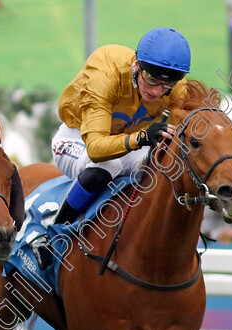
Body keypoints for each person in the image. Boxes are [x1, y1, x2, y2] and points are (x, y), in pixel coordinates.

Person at [51, 27, 191, 225]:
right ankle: (55, 232)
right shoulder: (105, 71)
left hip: (129, 144)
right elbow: (95, 149)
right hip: (77, 139)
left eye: (166, 86)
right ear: (136, 66)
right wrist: (141, 137)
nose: (157, 92)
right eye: (151, 80)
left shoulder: (177, 85)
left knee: (165, 167)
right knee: (108, 165)